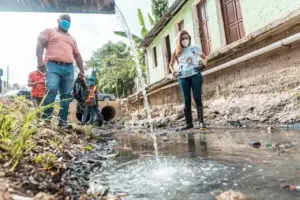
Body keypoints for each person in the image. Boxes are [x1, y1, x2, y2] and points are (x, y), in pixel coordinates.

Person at [36, 14, 84, 128]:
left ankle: (62, 121)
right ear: (58, 20)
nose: (66, 22)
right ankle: (46, 119)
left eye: (68, 21)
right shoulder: (49, 31)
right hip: (53, 65)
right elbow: (40, 44)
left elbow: (77, 55)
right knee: (51, 89)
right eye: (64, 20)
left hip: (69, 68)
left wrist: (81, 71)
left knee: (66, 95)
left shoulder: (72, 39)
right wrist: (39, 61)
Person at [169, 30, 208, 130]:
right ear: (179, 40)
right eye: (183, 38)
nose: (185, 40)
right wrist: (174, 72)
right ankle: (189, 123)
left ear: (189, 39)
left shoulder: (194, 48)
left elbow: (205, 57)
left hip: (195, 75)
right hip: (182, 78)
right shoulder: (176, 51)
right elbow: (170, 64)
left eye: (187, 38)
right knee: (187, 100)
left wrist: (203, 65)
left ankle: (201, 122)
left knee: (197, 97)